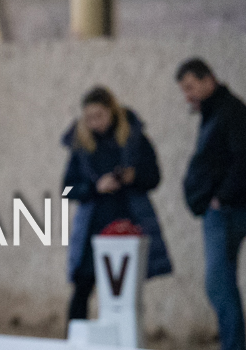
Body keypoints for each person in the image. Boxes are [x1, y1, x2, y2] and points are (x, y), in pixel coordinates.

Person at [62, 86, 172, 322]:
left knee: (124, 293)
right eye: (89, 118)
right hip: (92, 228)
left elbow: (154, 177)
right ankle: (75, 341)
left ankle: (122, 340)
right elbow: (66, 189)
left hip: (128, 225)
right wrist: (95, 187)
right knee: (82, 287)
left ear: (112, 112)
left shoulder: (134, 139)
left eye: (99, 116)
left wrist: (134, 177)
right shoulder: (81, 146)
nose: (95, 123)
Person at [176, 58, 246, 350]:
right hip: (222, 208)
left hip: (228, 210)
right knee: (223, 280)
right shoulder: (215, 113)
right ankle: (232, 349)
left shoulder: (230, 112)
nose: (188, 95)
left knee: (218, 282)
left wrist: (221, 198)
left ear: (208, 79)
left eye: (190, 87)